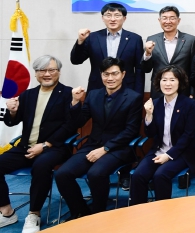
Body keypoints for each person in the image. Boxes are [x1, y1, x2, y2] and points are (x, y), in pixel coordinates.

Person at [55, 57, 142, 219]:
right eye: (106, 74)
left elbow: (131, 131)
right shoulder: (93, 95)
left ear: (123, 74)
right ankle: (80, 212)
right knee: (62, 174)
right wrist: (75, 102)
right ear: (101, 75)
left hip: (119, 148)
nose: (110, 78)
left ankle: (98, 214)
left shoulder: (133, 97)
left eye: (114, 73)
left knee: (96, 174)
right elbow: (79, 122)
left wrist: (105, 149)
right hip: (93, 145)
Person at [0, 56, 78, 233]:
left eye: (51, 70)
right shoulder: (28, 95)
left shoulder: (68, 94)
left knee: (41, 166)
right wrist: (12, 112)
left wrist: (45, 145)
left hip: (55, 147)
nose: (47, 74)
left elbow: (70, 126)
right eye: (42, 70)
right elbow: (12, 122)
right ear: (36, 74)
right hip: (26, 147)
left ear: (58, 72)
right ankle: (6, 211)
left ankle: (34, 214)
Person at [130, 66, 195, 205]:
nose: (168, 84)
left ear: (179, 82)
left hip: (181, 153)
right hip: (159, 150)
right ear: (159, 82)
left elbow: (188, 135)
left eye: (172, 80)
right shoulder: (155, 104)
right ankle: (138, 212)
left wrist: (168, 155)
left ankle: (163, 212)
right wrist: (149, 115)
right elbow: (150, 134)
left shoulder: (189, 104)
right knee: (138, 175)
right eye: (164, 80)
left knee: (160, 175)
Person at [70, 2, 144, 94]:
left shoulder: (135, 39)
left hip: (126, 89)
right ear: (102, 18)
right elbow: (76, 60)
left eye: (117, 15)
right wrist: (80, 41)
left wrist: (138, 94)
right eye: (108, 15)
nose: (112, 19)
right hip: (97, 88)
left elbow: (139, 69)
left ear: (124, 18)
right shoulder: (92, 37)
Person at [142, 6, 195, 99]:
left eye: (172, 18)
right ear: (159, 20)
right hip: (158, 91)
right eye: (164, 18)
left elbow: (193, 70)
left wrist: (192, 92)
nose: (168, 21)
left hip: (182, 90)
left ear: (178, 20)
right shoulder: (152, 39)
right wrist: (147, 53)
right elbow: (146, 69)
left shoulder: (190, 40)